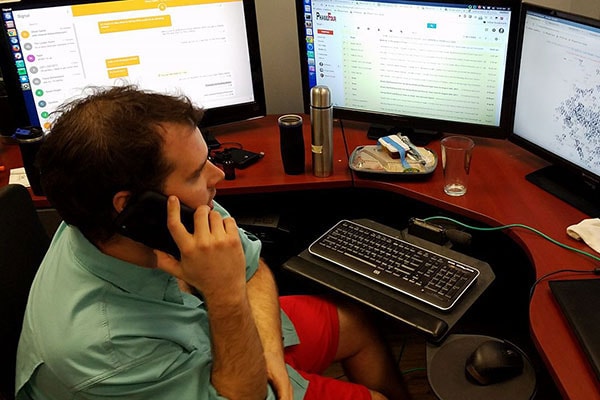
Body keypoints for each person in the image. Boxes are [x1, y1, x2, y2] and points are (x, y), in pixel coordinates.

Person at [15, 85, 412, 400]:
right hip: (199, 381)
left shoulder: (140, 219)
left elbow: (251, 267)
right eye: (194, 173)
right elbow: (245, 396)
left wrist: (270, 350)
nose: (217, 176)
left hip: (215, 338)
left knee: (355, 324)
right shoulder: (102, 350)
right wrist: (224, 295)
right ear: (133, 207)